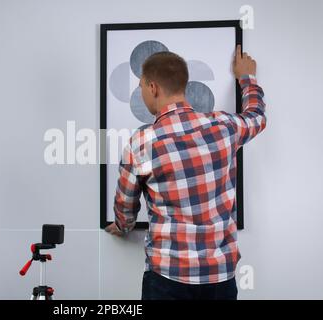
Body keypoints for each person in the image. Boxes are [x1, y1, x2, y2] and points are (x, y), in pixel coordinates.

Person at [105, 45, 267, 300]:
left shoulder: (142, 143)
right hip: (220, 277)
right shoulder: (224, 126)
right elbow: (257, 117)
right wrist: (247, 78)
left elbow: (125, 208)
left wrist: (123, 226)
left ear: (153, 88)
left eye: (140, 86)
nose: (140, 92)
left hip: (168, 278)